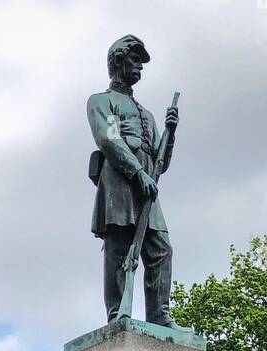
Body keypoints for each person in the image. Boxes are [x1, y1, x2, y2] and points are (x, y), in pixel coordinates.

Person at [87, 35, 179, 325]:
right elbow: (109, 138)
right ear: (117, 61)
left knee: (161, 248)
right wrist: (137, 173)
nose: (140, 66)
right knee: (118, 248)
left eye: (141, 61)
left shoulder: (148, 115)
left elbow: (159, 164)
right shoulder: (103, 102)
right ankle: (117, 314)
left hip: (146, 189)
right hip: (120, 184)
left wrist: (170, 134)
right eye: (134, 59)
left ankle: (159, 315)